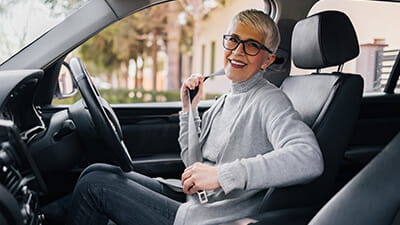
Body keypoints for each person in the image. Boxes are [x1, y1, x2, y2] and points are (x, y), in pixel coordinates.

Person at [67, 9, 323, 225]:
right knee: (98, 171)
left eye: (252, 45)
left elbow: (308, 157)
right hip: (193, 199)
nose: (237, 51)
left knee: (96, 185)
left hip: (211, 217)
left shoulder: (270, 100)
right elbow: (192, 163)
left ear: (267, 60)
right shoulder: (225, 100)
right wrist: (189, 110)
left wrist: (223, 175)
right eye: (233, 40)